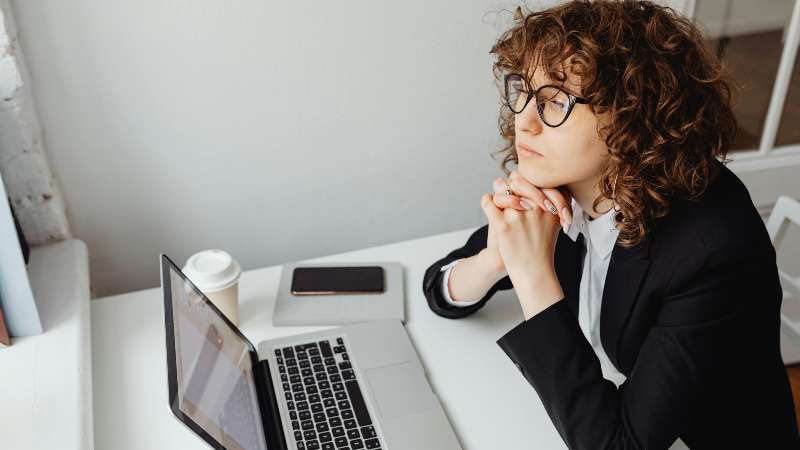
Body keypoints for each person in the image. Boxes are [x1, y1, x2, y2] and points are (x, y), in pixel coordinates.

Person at [421, 1, 800, 448]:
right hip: (602, 397)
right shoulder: (568, 182)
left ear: (631, 114)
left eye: (554, 101)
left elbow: (618, 445)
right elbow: (439, 291)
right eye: (522, 91)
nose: (524, 122)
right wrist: (496, 259)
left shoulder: (712, 252)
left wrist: (533, 275)